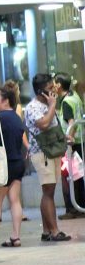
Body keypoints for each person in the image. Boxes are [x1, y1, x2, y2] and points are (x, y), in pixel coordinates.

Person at [23, 73, 72, 242]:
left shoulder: (47, 104)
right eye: (50, 88)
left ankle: (46, 231)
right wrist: (52, 105)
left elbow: (53, 125)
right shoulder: (33, 107)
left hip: (53, 150)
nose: (54, 91)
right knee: (48, 191)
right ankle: (54, 230)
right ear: (40, 91)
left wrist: (64, 138)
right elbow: (43, 124)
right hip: (42, 153)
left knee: (49, 191)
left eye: (54, 87)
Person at [0, 85, 29, 247]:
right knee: (15, 201)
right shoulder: (16, 117)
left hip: (4, 165)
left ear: (6, 101)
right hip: (18, 163)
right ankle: (16, 236)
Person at [55, 73, 85, 219]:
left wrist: (69, 137)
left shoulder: (66, 101)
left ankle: (72, 209)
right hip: (80, 143)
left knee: (68, 176)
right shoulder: (76, 98)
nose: (53, 86)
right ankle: (80, 207)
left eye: (54, 83)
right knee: (78, 176)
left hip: (71, 145)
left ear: (59, 84)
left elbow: (71, 122)